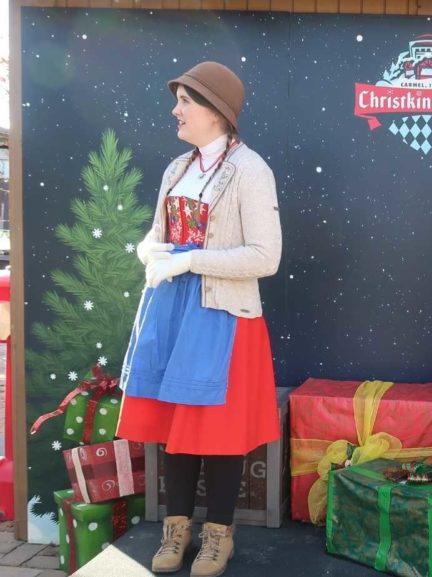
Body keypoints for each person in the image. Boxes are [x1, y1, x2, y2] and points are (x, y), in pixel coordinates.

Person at [115, 61, 282, 577]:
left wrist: (189, 259)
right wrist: (151, 253)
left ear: (216, 112)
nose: (176, 109)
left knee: (219, 431)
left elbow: (265, 257)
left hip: (222, 315)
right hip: (171, 312)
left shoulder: (251, 169)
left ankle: (219, 536)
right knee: (175, 427)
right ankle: (177, 527)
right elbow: (154, 234)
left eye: (187, 101)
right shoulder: (176, 169)